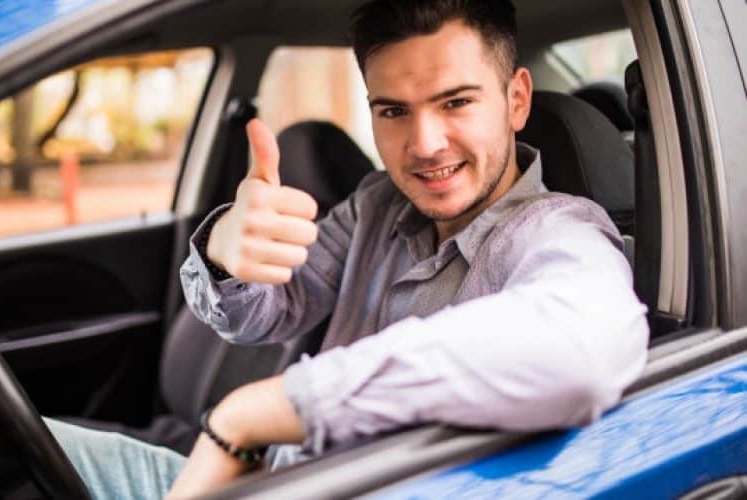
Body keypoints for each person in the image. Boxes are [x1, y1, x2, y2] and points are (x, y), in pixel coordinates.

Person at [47, 0, 649, 498]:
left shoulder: (559, 230)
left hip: (294, 473)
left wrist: (258, 413)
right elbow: (265, 314)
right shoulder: (377, 204)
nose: (425, 144)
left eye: (456, 102)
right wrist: (229, 252)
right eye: (393, 111)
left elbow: (583, 350)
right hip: (260, 476)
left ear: (516, 99)